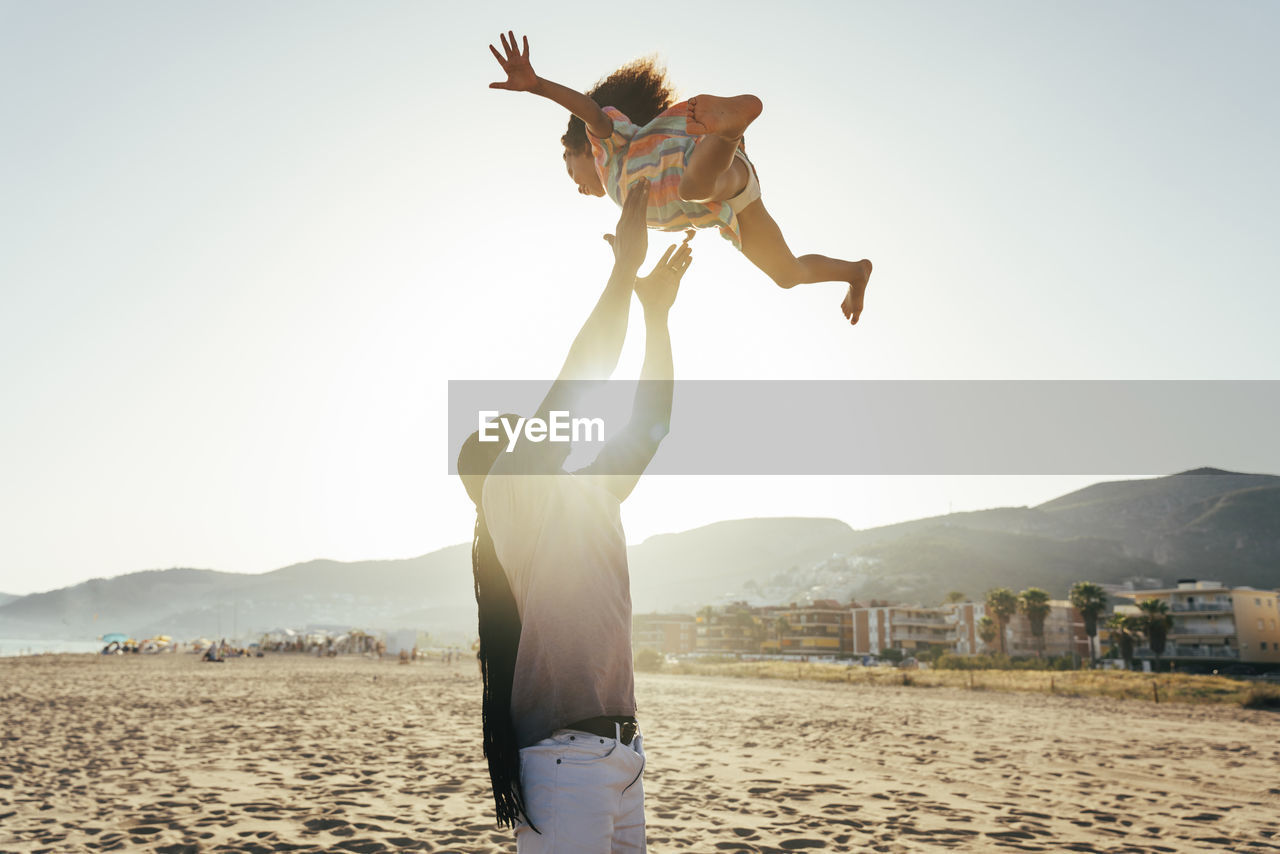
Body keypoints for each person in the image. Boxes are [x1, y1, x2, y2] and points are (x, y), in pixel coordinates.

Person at [456, 178, 688, 851]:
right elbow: (580, 376)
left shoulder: (588, 494)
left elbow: (653, 423)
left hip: (620, 757)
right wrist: (622, 269)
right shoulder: (512, 492)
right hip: (565, 763)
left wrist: (657, 315)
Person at [488, 30, 872, 326]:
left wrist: (539, 86)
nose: (579, 187)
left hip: (706, 167)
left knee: (694, 186)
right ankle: (854, 273)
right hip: (729, 200)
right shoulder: (622, 195)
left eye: (571, 170)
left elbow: (590, 112)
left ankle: (729, 130)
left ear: (580, 148)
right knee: (787, 274)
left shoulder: (609, 147)